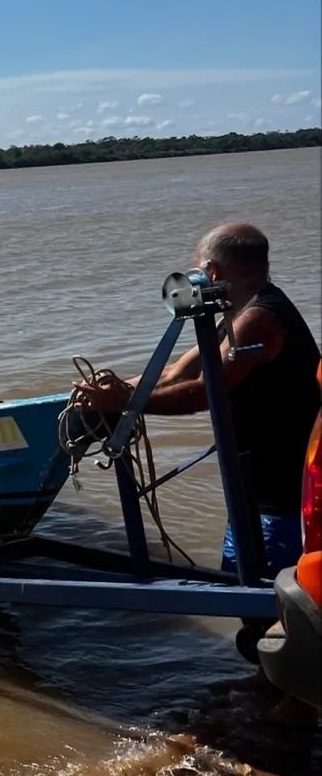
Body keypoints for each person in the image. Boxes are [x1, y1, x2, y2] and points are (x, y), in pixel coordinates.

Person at [76, 222, 320, 682]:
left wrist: (124, 403)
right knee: (248, 594)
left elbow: (204, 392)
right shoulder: (239, 312)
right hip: (254, 485)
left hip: (281, 491)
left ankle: (292, 712)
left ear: (210, 270)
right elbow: (179, 370)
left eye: (198, 270)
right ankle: (272, 697)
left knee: (275, 606)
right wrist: (113, 389)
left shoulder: (261, 317)